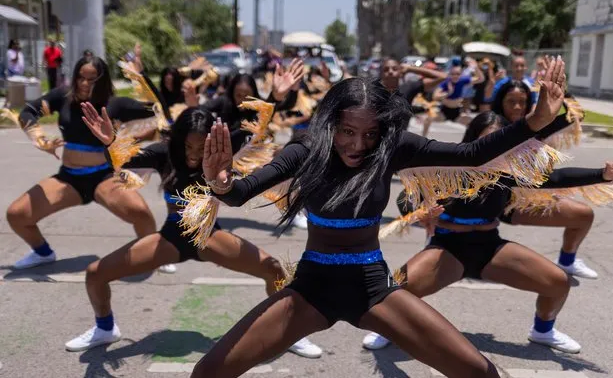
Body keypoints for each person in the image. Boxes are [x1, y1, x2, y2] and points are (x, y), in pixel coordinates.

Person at [188, 58, 569, 378]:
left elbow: (472, 154)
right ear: (330, 123)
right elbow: (241, 192)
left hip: (372, 288)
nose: (358, 144)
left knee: (481, 373)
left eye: (370, 133)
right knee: (206, 373)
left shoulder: (393, 147)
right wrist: (221, 183)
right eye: (348, 131)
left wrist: (534, 122)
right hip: (311, 289)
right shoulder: (306, 148)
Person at [361, 111, 613, 354]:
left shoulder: (509, 172)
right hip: (448, 249)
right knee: (394, 291)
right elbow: (406, 198)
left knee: (558, 282)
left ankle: (543, 330)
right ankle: (388, 329)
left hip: (490, 248)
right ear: (473, 140)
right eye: (487, 140)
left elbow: (557, 179)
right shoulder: (447, 167)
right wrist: (421, 209)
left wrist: (604, 174)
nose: (494, 148)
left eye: (500, 140)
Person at [64, 104, 322, 358]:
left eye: (200, 148)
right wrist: (110, 142)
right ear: (178, 140)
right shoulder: (164, 153)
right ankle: (105, 328)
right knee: (95, 274)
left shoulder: (222, 148)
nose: (193, 154)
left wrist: (275, 95)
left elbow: (256, 121)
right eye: (188, 146)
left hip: (210, 237)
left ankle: (290, 333)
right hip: (171, 239)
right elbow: (125, 159)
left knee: (273, 269)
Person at [6, 56, 162, 271]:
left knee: (141, 213)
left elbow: (158, 109)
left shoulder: (115, 104)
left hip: (104, 177)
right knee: (16, 214)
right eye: (81, 77)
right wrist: (39, 138)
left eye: (92, 79)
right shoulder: (63, 97)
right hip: (69, 179)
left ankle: (153, 253)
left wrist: (141, 77)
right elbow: (29, 112)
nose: (84, 83)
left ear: (103, 80)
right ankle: (43, 253)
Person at [492, 78, 598, 278]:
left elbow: (576, 115)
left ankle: (567, 261)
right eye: (510, 101)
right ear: (500, 102)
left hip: (521, 201)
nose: (517, 107)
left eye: (522, 102)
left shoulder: (534, 127)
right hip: (490, 204)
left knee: (583, 215)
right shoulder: (490, 125)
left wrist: (561, 88)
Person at [379, 57, 447, 136]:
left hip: (400, 140)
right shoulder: (374, 90)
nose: (390, 71)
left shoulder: (408, 87)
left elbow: (442, 76)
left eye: (394, 69)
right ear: (381, 73)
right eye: (386, 69)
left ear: (400, 72)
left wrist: (410, 69)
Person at [433, 58, 485, 124]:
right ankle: (424, 134)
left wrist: (476, 67)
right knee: (428, 119)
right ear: (449, 74)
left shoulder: (462, 80)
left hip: (457, 110)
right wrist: (447, 93)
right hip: (444, 110)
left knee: (473, 123)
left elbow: (481, 79)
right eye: (453, 74)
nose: (455, 76)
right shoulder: (446, 82)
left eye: (457, 74)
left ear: (461, 74)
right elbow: (435, 96)